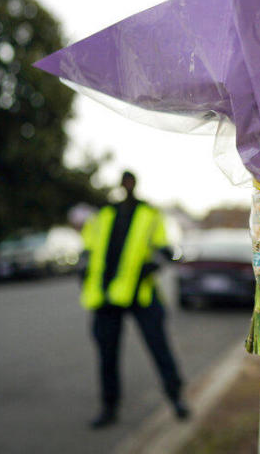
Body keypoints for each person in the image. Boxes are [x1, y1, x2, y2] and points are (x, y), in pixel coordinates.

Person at [79, 170, 189, 429]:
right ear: (120, 185)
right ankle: (109, 407)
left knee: (159, 349)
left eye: (130, 182)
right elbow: (87, 248)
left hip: (141, 294)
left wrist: (156, 264)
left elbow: (163, 247)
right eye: (124, 182)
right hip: (106, 297)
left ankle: (176, 398)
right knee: (107, 355)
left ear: (135, 184)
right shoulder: (103, 215)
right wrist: (83, 269)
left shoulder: (150, 214)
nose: (127, 185)